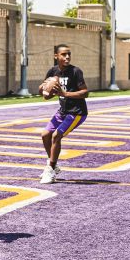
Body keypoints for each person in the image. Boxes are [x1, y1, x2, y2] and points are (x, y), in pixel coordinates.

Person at [38, 44, 89, 184]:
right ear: (56, 56)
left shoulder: (75, 71)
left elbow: (85, 92)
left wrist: (65, 93)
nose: (67, 57)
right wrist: (42, 89)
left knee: (56, 135)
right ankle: (53, 165)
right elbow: (46, 96)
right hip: (63, 111)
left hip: (77, 112)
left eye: (69, 54)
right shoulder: (53, 72)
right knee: (45, 135)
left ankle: (51, 169)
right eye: (63, 54)